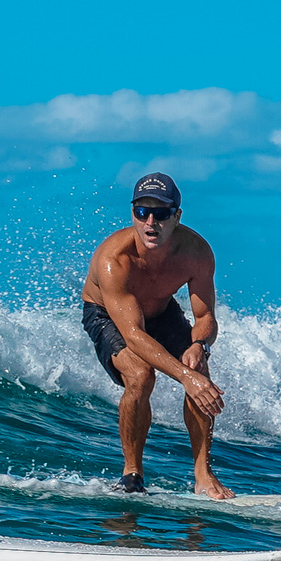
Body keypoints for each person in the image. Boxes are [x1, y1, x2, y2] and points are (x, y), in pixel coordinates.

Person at [80, 172, 233, 498]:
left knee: (198, 367)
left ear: (177, 216)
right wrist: (184, 377)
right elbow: (134, 334)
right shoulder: (114, 259)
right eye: (142, 212)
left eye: (161, 213)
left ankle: (203, 474)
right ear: (132, 213)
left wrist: (199, 345)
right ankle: (132, 475)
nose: (151, 222)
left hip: (161, 310)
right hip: (108, 315)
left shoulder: (196, 252)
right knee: (140, 375)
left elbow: (205, 317)